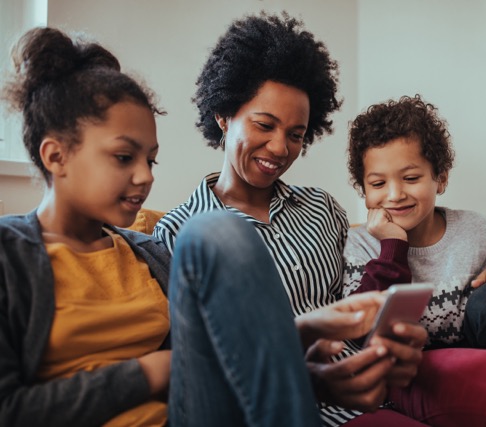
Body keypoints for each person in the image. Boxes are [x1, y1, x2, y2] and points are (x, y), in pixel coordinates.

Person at [155, 11, 486, 427]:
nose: (279, 147)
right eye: (264, 125)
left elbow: (370, 291)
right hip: (308, 402)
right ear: (223, 114)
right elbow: (195, 366)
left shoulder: (322, 210)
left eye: (296, 134)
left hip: (395, 377)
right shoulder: (177, 234)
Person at [0, 26, 367, 427]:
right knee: (211, 228)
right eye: (124, 157)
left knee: (214, 231)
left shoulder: (149, 254)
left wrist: (309, 343)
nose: (145, 177)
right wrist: (153, 370)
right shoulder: (10, 254)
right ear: (56, 155)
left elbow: (218, 361)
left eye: (151, 160)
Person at [343, 95, 486, 357]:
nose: (394, 194)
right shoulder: (359, 244)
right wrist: (393, 246)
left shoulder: (473, 229)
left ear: (440, 179)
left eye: (410, 178)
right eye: (378, 184)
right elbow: (359, 330)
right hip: (409, 378)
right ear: (363, 190)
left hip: (474, 368)